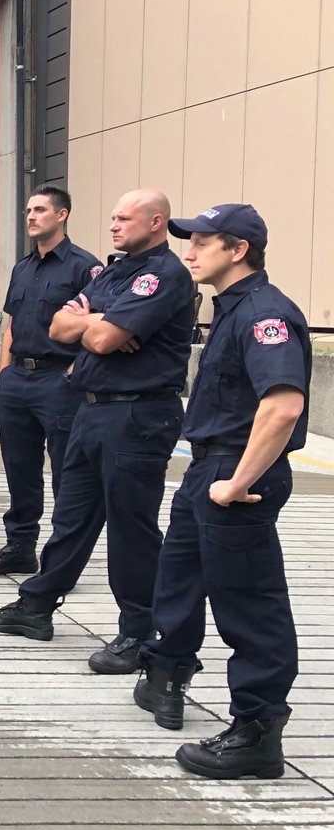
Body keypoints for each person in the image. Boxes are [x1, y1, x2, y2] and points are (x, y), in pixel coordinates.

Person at [0, 189, 194, 674]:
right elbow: (58, 326)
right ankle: (37, 605)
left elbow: (102, 338)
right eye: (113, 217)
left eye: (124, 218)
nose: (113, 225)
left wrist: (94, 323)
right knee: (72, 516)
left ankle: (139, 631)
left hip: (137, 414)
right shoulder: (114, 272)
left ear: (155, 222)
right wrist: (99, 321)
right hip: (92, 409)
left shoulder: (163, 275)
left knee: (131, 527)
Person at [134, 204, 309, 779]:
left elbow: (283, 406)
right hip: (207, 469)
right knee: (179, 576)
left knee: (248, 601)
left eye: (203, 243)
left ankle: (257, 731)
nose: (189, 253)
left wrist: (238, 482)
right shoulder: (229, 309)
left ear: (238, 250)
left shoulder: (264, 313)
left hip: (236, 474)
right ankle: (165, 674)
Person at [0, 185, 101, 575]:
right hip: (18, 380)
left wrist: (73, 373)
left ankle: (62, 560)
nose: (31, 216)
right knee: (19, 468)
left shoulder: (85, 267)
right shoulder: (23, 268)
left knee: (67, 473)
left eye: (40, 210)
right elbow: (12, 324)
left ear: (62, 215)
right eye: (29, 210)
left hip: (59, 381)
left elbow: (97, 326)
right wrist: (4, 375)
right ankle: (20, 546)